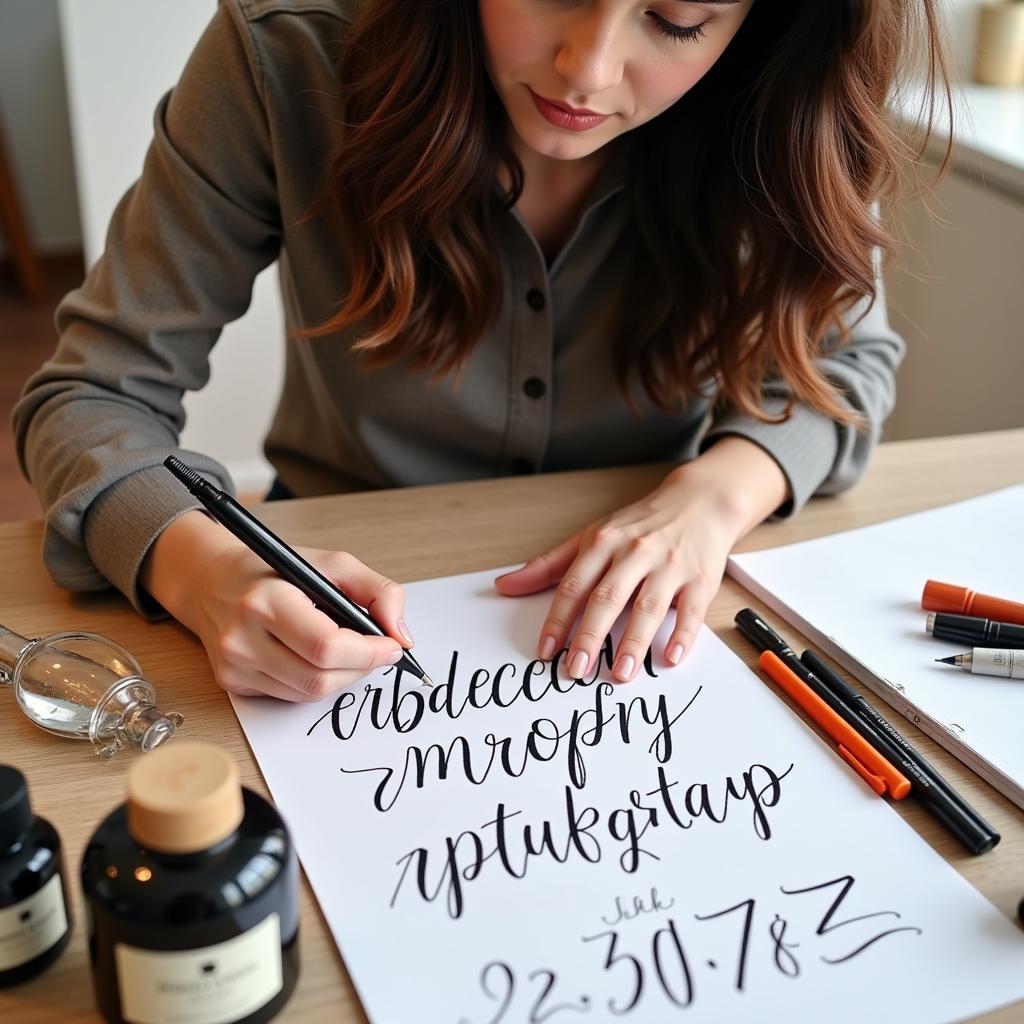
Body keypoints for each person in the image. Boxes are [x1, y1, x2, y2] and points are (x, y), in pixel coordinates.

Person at [14, 0, 948, 703]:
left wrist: (710, 500)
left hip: (651, 605)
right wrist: (208, 573)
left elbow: (841, 365)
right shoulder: (284, 55)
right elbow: (92, 397)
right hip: (329, 586)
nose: (587, 69)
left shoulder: (783, 95)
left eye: (675, 19)